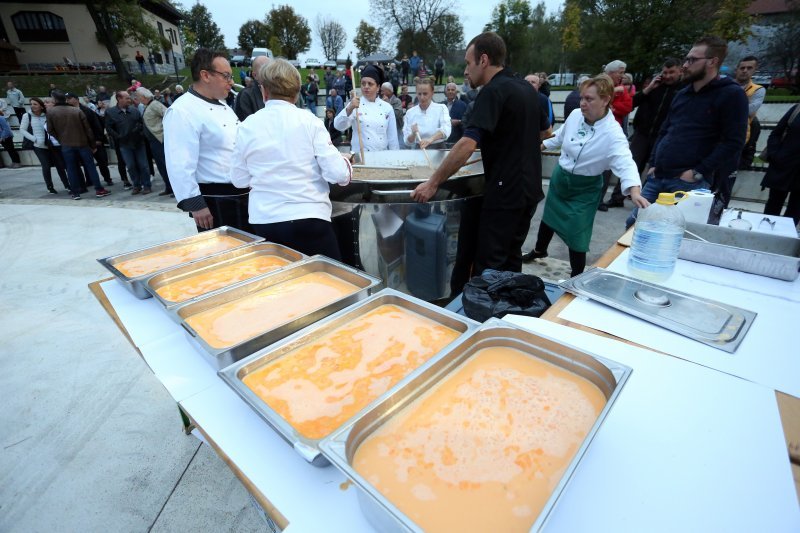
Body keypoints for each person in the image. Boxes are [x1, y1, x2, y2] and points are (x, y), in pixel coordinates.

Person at [411, 32, 547, 296]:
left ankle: (482, 325)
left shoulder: (493, 91)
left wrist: (432, 183)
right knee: (511, 260)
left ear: (483, 60)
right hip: (530, 192)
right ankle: (507, 316)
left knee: (489, 267)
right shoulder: (526, 90)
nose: (466, 69)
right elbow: (543, 132)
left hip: (505, 193)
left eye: (468, 62)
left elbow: (466, 143)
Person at [525, 75, 649, 276]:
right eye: (582, 97)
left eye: (589, 99)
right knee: (548, 217)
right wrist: (540, 145)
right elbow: (560, 136)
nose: (582, 103)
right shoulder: (575, 115)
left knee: (578, 232)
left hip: (585, 188)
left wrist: (634, 190)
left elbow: (626, 161)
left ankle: (576, 275)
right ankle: (540, 250)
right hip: (560, 179)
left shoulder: (612, 132)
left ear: (606, 99)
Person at [230, 58, 352, 258]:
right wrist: (345, 161)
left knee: (280, 285)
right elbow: (337, 173)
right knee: (328, 284)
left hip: (266, 221)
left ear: (264, 91)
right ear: (296, 94)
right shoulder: (310, 121)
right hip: (309, 218)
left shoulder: (246, 126)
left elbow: (239, 180)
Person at [626, 35, 748, 228]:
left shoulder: (731, 94)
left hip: (689, 183)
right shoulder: (683, 94)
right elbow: (666, 130)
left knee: (672, 233)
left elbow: (733, 141)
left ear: (712, 61)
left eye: (692, 60)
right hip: (659, 176)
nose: (685, 64)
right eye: (686, 59)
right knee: (633, 224)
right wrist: (655, 163)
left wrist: (697, 172)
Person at [164, 48, 249, 232]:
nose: (231, 82)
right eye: (226, 76)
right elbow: (179, 163)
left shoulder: (224, 106)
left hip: (242, 194)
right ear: (205, 75)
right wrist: (195, 204)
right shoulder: (182, 111)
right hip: (216, 199)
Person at [604, 58, 682, 209]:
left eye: (671, 72)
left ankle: (645, 200)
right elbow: (633, 103)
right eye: (665, 72)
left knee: (654, 170)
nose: (667, 76)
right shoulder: (655, 87)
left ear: (680, 71)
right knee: (632, 163)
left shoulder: (683, 90)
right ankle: (617, 197)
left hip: (663, 136)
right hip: (643, 132)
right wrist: (649, 88)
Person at [46, 90, 111, 200]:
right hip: (82, 143)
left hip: (66, 144)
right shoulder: (75, 111)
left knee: (71, 168)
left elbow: (50, 130)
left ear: (56, 100)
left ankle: (75, 192)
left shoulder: (51, 112)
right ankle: (99, 189)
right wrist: (92, 144)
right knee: (90, 166)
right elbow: (88, 130)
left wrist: (61, 139)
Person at [334, 65, 399, 154]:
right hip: (360, 156)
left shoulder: (387, 108)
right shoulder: (355, 104)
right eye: (363, 83)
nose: (366, 86)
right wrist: (349, 108)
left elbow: (392, 138)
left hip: (382, 156)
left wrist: (395, 158)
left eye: (370, 84)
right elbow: (338, 126)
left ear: (378, 87)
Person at [20, 97, 70, 193]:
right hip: (39, 146)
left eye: (35, 104)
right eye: (31, 104)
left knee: (60, 165)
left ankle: (67, 185)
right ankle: (50, 187)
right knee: (46, 166)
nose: (32, 106)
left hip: (52, 145)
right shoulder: (27, 116)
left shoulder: (47, 114)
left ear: (41, 106)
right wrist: (34, 139)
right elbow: (22, 129)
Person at [761, 104, 800, 224]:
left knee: (796, 210)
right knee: (773, 205)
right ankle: (766, 235)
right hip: (783, 165)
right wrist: (775, 154)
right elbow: (776, 133)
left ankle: (787, 238)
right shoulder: (797, 109)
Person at [106, 90, 150, 194]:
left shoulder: (134, 110)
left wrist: (139, 132)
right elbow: (109, 128)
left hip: (138, 143)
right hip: (124, 144)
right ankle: (136, 185)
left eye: (129, 98)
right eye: (126, 98)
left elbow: (141, 123)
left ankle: (147, 185)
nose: (129, 100)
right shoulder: (111, 112)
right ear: (119, 99)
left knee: (143, 165)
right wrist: (119, 137)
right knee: (130, 166)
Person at [65, 92, 114, 187]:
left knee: (102, 162)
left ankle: (107, 178)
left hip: (95, 140)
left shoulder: (87, 111)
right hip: (82, 142)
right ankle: (90, 180)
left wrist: (98, 139)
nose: (67, 101)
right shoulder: (69, 112)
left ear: (75, 99)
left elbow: (96, 125)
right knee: (86, 162)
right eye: (67, 99)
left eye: (69, 98)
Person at [137, 87, 173, 196]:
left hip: (160, 140)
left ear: (144, 96)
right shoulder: (148, 106)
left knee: (165, 165)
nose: (138, 98)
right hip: (153, 141)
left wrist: (163, 130)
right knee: (161, 166)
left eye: (138, 96)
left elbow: (168, 115)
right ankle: (168, 186)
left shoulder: (155, 105)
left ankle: (173, 187)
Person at [735, 55, 766, 169]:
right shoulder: (725, 85)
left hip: (741, 134)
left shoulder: (758, 90)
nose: (745, 71)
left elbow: (750, 110)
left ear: (754, 70)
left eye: (749, 68)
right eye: (742, 68)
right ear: (737, 69)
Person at [403, 77, 451, 148]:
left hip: (438, 148)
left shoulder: (441, 108)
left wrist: (430, 140)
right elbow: (407, 141)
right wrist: (413, 134)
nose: (422, 97)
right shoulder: (410, 112)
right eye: (419, 94)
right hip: (419, 149)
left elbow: (446, 129)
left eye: (425, 94)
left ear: (432, 93)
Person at [234, 55, 269, 122]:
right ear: (255, 75)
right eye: (266, 71)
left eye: (273, 69)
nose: (271, 74)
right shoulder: (245, 95)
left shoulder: (277, 91)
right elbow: (245, 124)